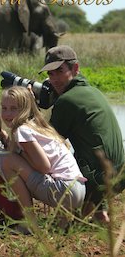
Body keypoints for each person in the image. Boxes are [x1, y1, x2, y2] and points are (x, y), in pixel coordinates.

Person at [38, 45, 125, 223]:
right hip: (119, 177)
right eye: (50, 74)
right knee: (86, 151)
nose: (54, 79)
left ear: (75, 68)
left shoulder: (67, 101)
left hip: (98, 180)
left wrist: (30, 112)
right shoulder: (93, 92)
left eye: (59, 71)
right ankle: (101, 213)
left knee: (49, 159)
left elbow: (45, 144)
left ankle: (72, 216)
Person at [0, 86, 86, 229]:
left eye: (13, 108)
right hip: (78, 189)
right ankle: (61, 223)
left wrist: (17, 154)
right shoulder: (38, 127)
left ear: (25, 109)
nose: (7, 113)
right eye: (4, 108)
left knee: (7, 161)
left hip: (64, 190)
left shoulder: (22, 130)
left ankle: (29, 223)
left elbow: (44, 166)